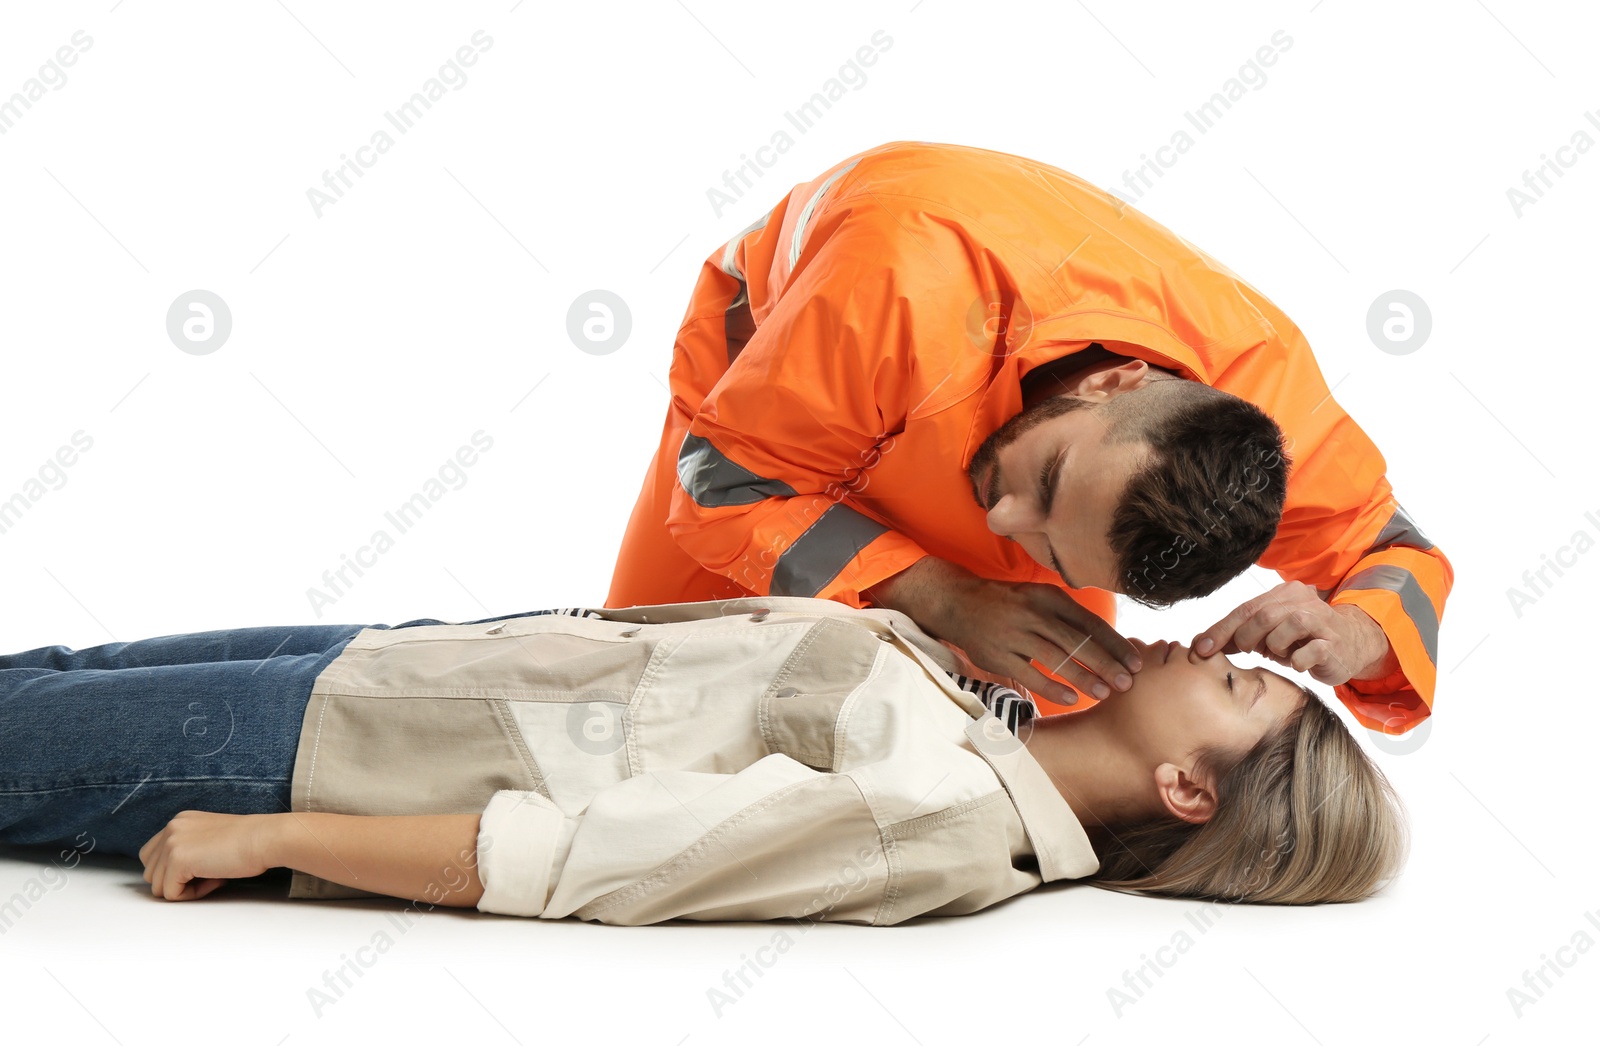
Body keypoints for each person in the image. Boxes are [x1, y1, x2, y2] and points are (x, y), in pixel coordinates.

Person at [606, 139, 1454, 735]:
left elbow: (1396, 551)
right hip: (777, 389)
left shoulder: (1264, 405)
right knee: (635, 689)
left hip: (980, 387)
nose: (1001, 528)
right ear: (1116, 381)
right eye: (1047, 483)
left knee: (1046, 729)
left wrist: (1358, 633)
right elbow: (723, 483)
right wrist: (940, 593)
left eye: (1052, 551)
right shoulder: (899, 283)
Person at [0, 596, 1406, 923]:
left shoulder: (954, 823)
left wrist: (265, 837)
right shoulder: (983, 713)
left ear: (1188, 789)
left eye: (1227, 686)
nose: (1192, 646)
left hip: (312, 751)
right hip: (388, 660)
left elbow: (593, 862)